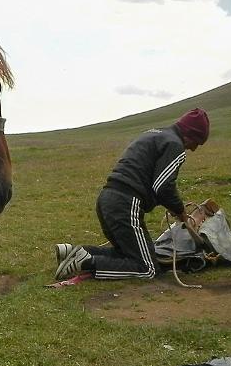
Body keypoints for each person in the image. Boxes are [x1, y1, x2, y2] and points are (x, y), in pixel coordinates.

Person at [53, 108, 210, 282]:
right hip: (126, 203)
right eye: (197, 142)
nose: (194, 149)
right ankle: (87, 262)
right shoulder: (174, 145)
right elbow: (163, 186)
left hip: (107, 198)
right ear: (190, 134)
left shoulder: (153, 134)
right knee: (148, 269)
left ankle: (73, 252)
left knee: (126, 253)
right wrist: (180, 211)